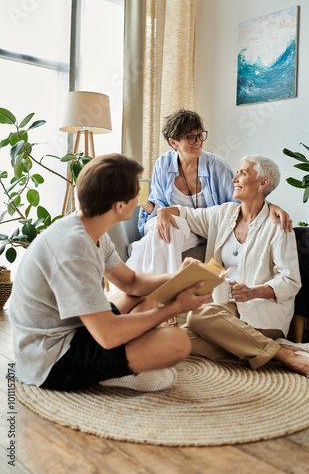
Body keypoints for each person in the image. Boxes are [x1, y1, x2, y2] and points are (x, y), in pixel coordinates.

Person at [8, 154, 213, 393]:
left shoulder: (90, 229)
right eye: (136, 193)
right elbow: (107, 334)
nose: (140, 199)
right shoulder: (73, 247)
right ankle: (114, 371)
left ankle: (120, 363)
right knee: (178, 343)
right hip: (51, 359)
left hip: (76, 330)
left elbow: (132, 282)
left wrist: (178, 278)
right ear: (119, 206)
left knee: (146, 295)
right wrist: (174, 309)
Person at [157, 155, 309, 381]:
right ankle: (280, 351)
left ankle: (289, 357)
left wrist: (254, 292)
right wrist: (164, 211)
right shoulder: (224, 214)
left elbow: (290, 281)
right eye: (237, 173)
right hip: (223, 310)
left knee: (197, 318)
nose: (235, 178)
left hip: (260, 310)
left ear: (263, 183)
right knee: (176, 340)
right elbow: (187, 213)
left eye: (243, 173)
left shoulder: (278, 224)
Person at [127, 109, 291, 275]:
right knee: (164, 229)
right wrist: (142, 201)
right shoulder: (163, 163)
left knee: (164, 233)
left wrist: (270, 207)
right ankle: (166, 290)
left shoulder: (216, 166)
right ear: (174, 143)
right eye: (191, 136)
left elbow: (243, 200)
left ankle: (138, 288)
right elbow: (158, 208)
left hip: (198, 230)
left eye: (200, 135)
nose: (198, 141)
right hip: (169, 225)